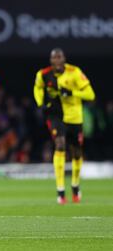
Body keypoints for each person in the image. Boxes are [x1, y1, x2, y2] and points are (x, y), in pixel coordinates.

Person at [33, 48, 95, 204]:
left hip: (74, 117)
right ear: (51, 60)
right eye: (54, 58)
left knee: (76, 153)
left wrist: (73, 92)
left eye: (59, 57)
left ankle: (75, 185)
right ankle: (60, 190)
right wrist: (40, 103)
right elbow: (38, 87)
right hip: (55, 115)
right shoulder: (43, 74)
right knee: (59, 145)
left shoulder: (74, 72)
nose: (57, 60)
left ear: (64, 59)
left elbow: (90, 94)